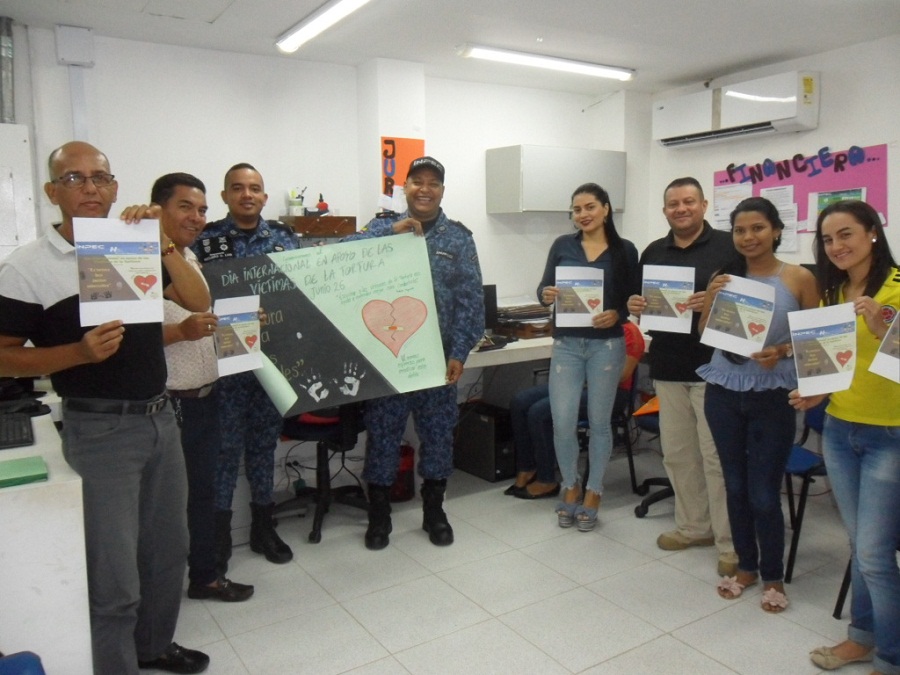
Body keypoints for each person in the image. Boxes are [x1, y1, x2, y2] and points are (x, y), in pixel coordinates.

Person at [0, 142, 209, 674]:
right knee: (114, 577)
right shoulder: (28, 266)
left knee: (168, 551)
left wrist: (162, 241)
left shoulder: (132, 243)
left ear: (115, 187)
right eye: (73, 179)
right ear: (52, 191)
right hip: (100, 430)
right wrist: (77, 353)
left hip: (160, 418)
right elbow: (3, 356)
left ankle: (153, 646)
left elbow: (198, 300)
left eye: (100, 177)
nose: (90, 188)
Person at [122, 173, 255, 603]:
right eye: (185, 207)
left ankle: (205, 577)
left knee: (202, 494)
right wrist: (180, 331)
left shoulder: (188, 255)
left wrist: (240, 325)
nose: (197, 218)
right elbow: (124, 337)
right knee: (164, 506)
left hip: (205, 397)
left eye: (202, 210)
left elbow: (200, 310)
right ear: (158, 208)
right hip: (169, 405)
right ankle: (153, 595)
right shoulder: (134, 257)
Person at [348, 156, 484, 550]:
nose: (425, 189)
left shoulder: (458, 238)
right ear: (404, 187)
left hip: (436, 361)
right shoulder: (381, 228)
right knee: (383, 436)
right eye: (417, 181)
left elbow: (471, 301)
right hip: (388, 359)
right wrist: (388, 233)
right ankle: (379, 516)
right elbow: (341, 256)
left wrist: (459, 352)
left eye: (433, 183)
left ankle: (434, 511)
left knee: (438, 436)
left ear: (442, 190)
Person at [789, 200, 899, 674]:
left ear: (873, 232)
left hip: (889, 435)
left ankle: (891, 656)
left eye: (846, 234)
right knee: (860, 547)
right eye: (828, 239)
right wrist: (817, 392)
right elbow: (835, 364)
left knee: (874, 554)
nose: (836, 246)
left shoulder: (898, 287)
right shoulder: (833, 292)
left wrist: (882, 327)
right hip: (839, 429)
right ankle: (862, 638)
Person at [696, 197, 818, 612]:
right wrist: (711, 298)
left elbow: (814, 341)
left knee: (764, 492)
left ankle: (773, 575)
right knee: (734, 485)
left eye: (758, 228)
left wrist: (781, 351)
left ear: (777, 230)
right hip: (724, 390)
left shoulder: (798, 278)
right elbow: (706, 333)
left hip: (772, 395)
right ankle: (746, 566)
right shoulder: (725, 276)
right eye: (740, 230)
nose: (748, 237)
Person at [627, 177, 740, 576]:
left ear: (704, 205)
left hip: (717, 368)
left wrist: (714, 301)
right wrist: (635, 303)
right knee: (678, 454)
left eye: (689, 201)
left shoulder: (729, 246)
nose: (681, 209)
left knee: (716, 458)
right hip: (669, 366)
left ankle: (730, 544)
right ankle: (694, 527)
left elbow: (750, 306)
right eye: (673, 204)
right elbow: (641, 301)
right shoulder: (653, 251)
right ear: (665, 211)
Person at [192, 163, 300, 570]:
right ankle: (219, 536)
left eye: (254, 188)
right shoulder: (203, 240)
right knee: (223, 452)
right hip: (224, 366)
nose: (247, 195)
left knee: (263, 448)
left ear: (265, 197)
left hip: (272, 363)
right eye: (237, 188)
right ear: (224, 196)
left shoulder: (285, 240)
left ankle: (263, 527)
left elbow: (304, 291)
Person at [538, 183, 640, 531]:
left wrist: (617, 315)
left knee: (599, 422)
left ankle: (594, 490)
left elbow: (632, 300)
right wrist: (546, 294)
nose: (583, 214)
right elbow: (542, 289)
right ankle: (570, 484)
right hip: (567, 344)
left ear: (606, 208)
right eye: (577, 209)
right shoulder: (562, 246)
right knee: (563, 421)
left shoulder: (625, 250)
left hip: (606, 346)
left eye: (590, 207)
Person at [504, 320, 644, 499]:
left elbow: (623, 374)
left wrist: (584, 372)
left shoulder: (629, 332)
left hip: (613, 392)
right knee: (520, 402)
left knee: (539, 412)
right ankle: (527, 467)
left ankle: (547, 479)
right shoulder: (581, 328)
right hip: (579, 382)